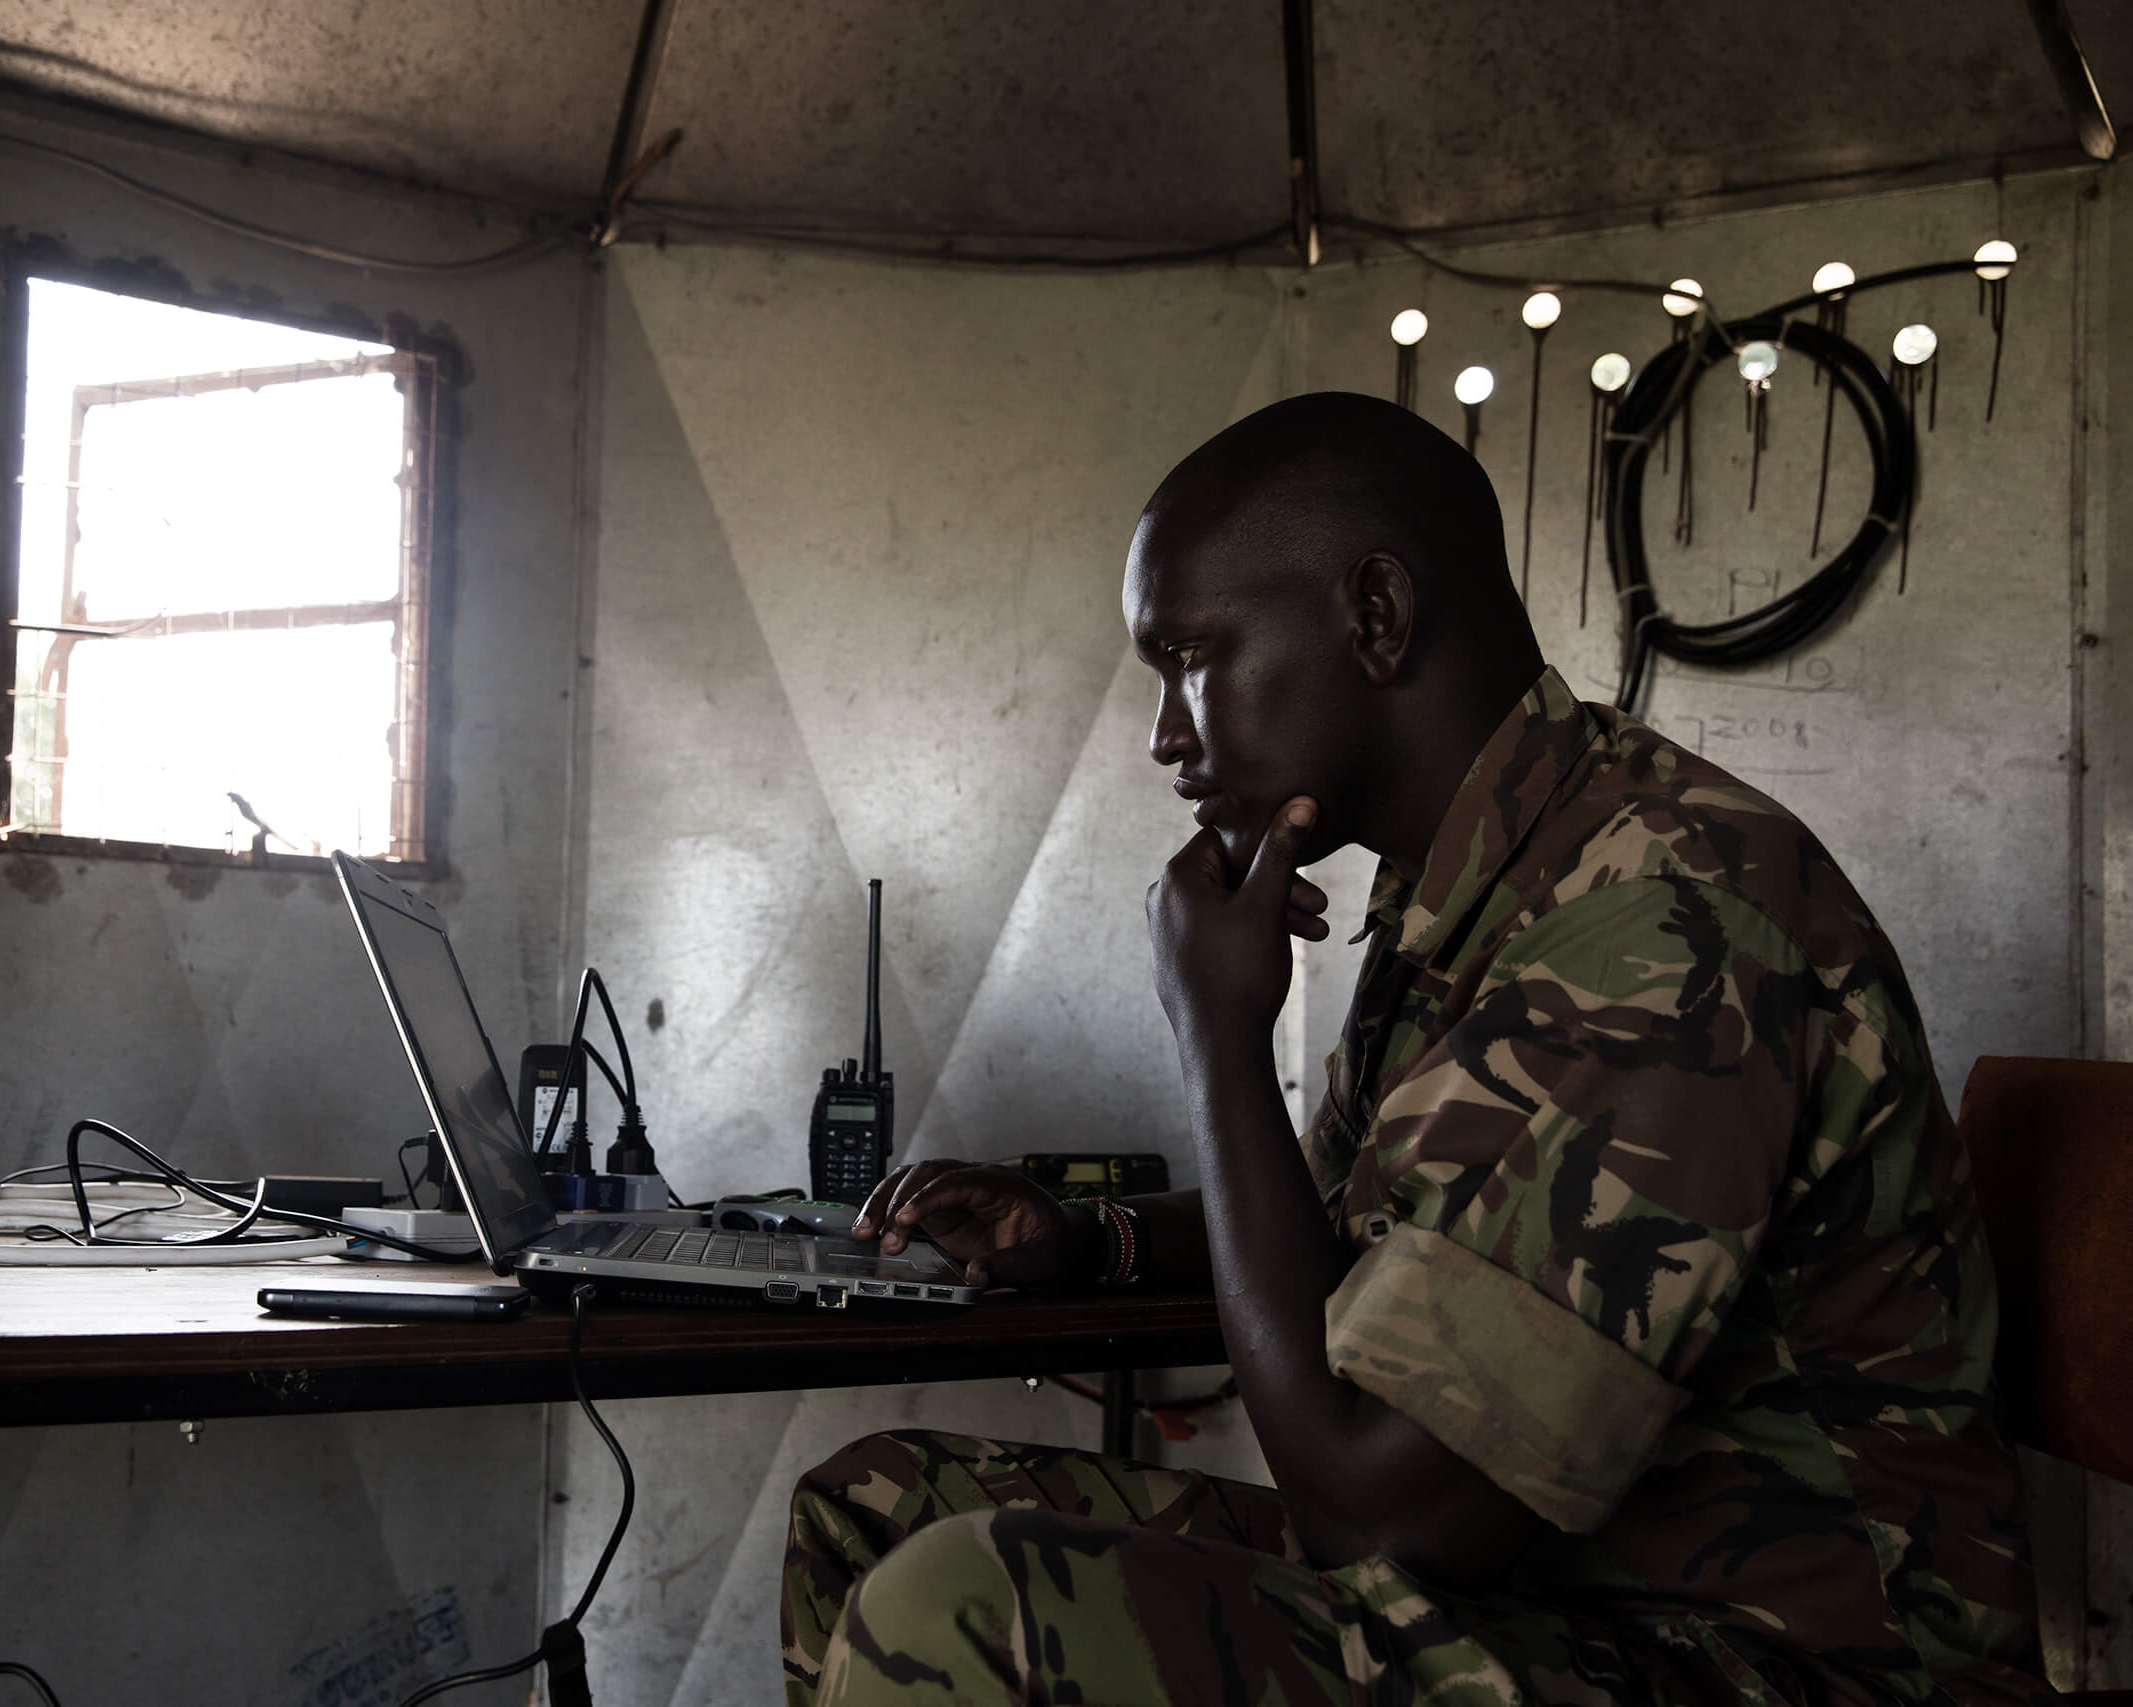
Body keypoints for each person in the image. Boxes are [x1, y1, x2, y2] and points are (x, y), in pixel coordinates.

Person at [780, 392, 2040, 1706]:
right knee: (882, 1509)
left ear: (1373, 616)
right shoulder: (1486, 879)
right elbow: (1342, 1233)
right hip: (1564, 1610)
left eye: (1189, 658)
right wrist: (1092, 1238)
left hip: (1784, 1664)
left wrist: (1217, 1034)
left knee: (965, 1604)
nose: (1163, 733)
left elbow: (1380, 1520)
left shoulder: (1668, 918)